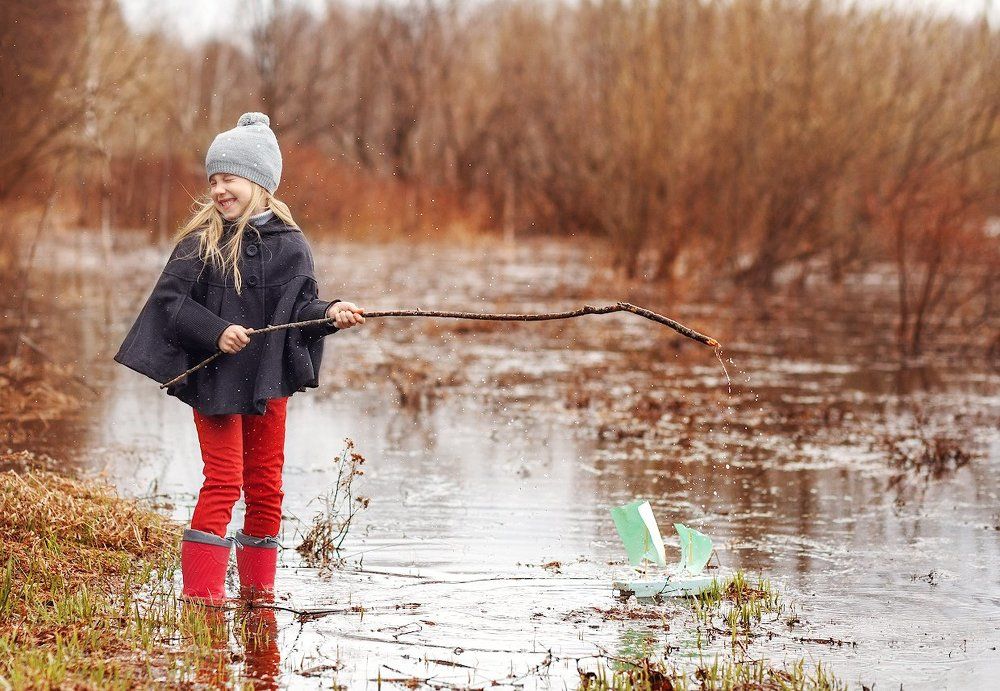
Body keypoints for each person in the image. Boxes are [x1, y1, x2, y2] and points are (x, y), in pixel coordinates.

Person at [114, 112, 365, 603]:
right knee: (224, 481)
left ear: (258, 182)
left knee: (266, 487)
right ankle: (202, 602)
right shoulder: (200, 241)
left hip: (267, 384)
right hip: (215, 384)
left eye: (228, 178)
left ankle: (257, 601)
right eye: (213, 179)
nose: (218, 189)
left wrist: (332, 312)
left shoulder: (292, 246)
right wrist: (216, 331)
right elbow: (171, 304)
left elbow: (301, 310)